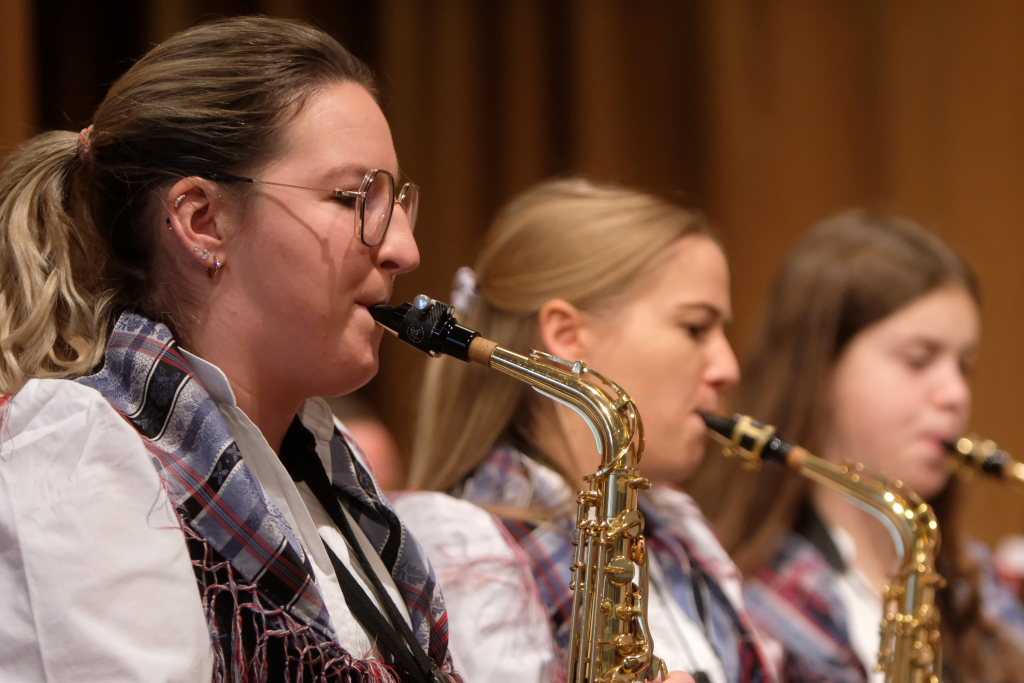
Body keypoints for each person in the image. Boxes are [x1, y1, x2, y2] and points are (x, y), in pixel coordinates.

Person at [0, 16, 460, 682]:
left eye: (397, 203)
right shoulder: (82, 448)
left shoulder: (328, 473)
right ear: (202, 220)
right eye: (353, 198)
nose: (404, 250)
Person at [392, 177, 778, 683]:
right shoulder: (461, 545)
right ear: (567, 334)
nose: (727, 368)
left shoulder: (677, 527)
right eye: (695, 328)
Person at [693, 210, 1024, 681]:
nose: (956, 394)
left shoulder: (978, 582)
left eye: (964, 365)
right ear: (821, 368)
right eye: (918, 360)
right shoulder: (740, 601)